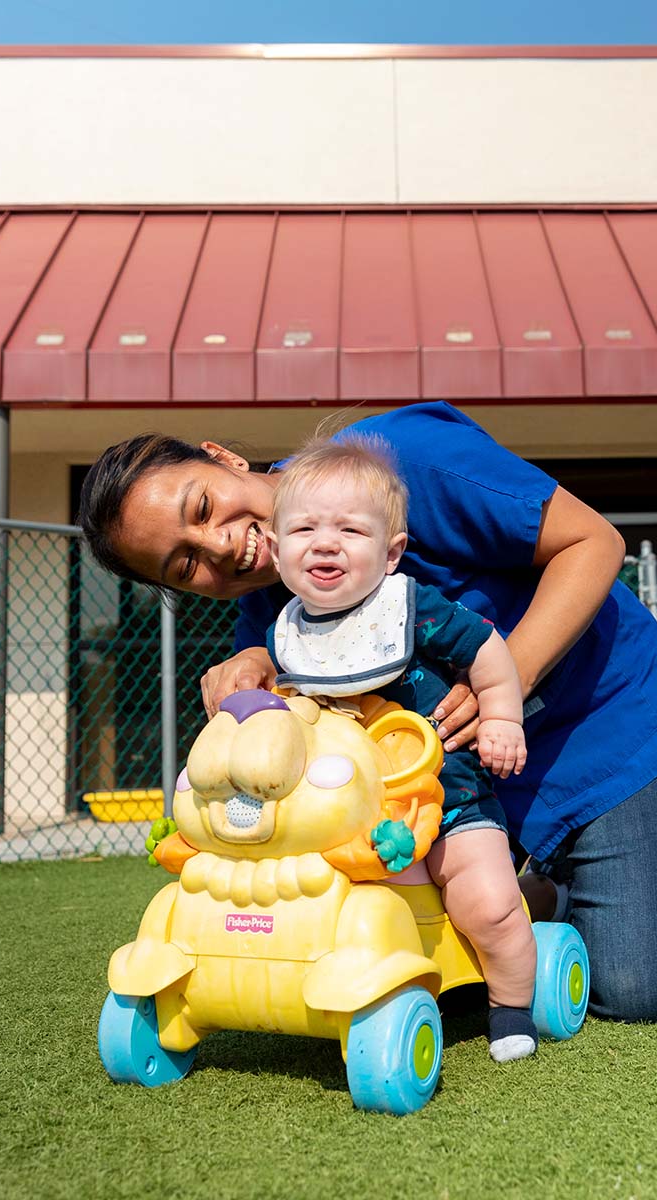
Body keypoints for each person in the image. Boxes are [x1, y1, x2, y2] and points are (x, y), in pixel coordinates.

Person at [79, 401, 657, 1026]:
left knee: (638, 993)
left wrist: (504, 680)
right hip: (456, 793)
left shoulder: (400, 458)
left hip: (603, 727)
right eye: (185, 564)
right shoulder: (270, 605)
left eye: (202, 507)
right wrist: (253, 675)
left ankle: (561, 889)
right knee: (434, 968)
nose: (219, 546)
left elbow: (594, 541)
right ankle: (531, 890)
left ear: (222, 458)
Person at [265, 433, 537, 1062]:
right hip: (356, 819)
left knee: (487, 904)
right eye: (305, 528)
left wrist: (501, 717)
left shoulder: (409, 608)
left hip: (449, 800)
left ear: (391, 554)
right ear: (278, 551)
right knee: (357, 917)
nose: (326, 542)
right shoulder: (289, 634)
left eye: (350, 531)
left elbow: (488, 652)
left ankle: (512, 1002)